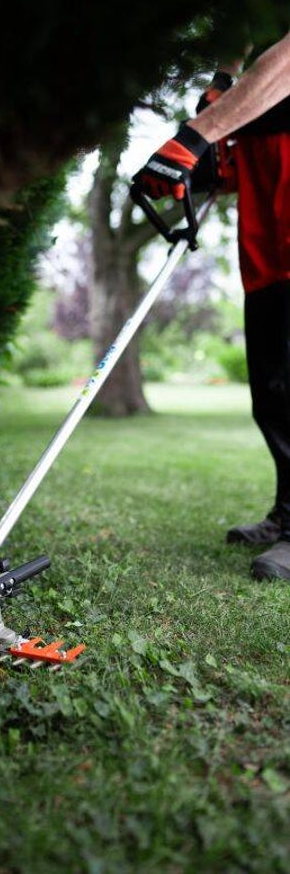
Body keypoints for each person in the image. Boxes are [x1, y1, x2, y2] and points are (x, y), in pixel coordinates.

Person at [133, 31, 290, 582]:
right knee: (274, 388)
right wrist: (222, 88)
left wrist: (192, 138)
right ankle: (288, 509)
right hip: (267, 235)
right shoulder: (252, 26)